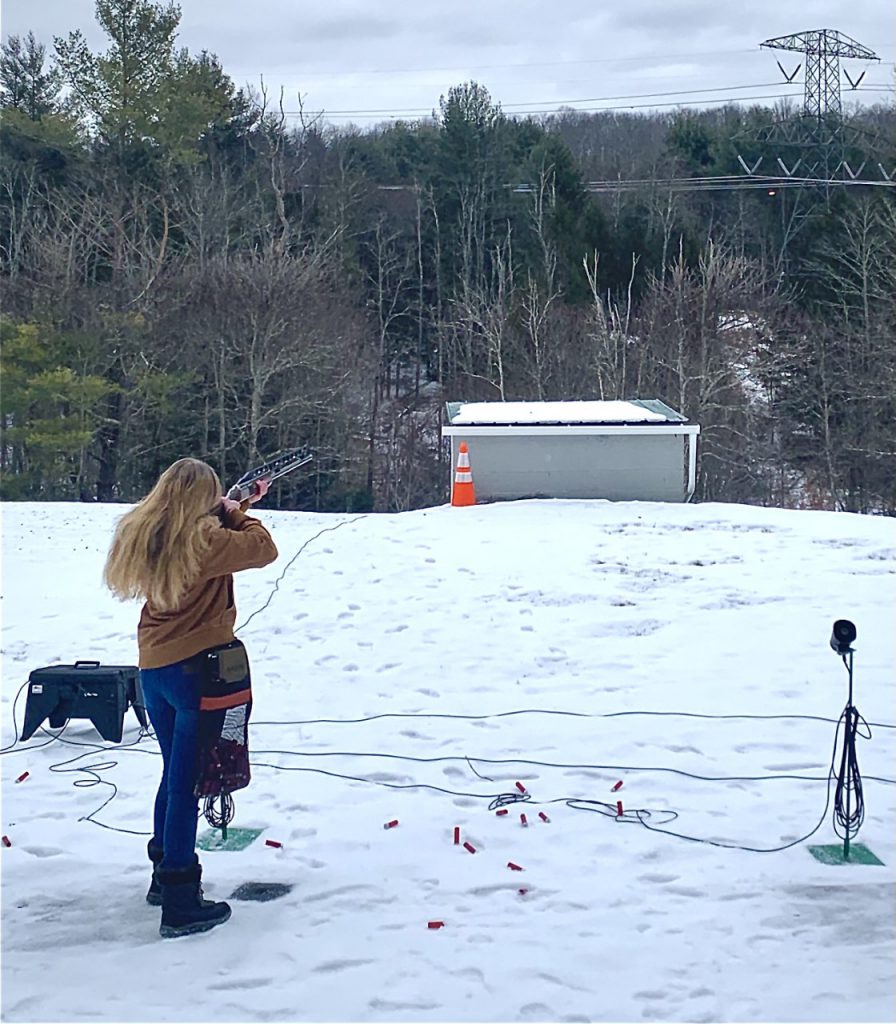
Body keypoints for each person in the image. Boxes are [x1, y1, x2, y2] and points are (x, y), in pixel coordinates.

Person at [103, 457, 278, 938]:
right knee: (187, 785)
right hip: (196, 671)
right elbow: (264, 548)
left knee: (173, 774)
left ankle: (164, 871)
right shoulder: (206, 539)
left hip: (154, 668)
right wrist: (238, 512)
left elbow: (204, 541)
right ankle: (181, 899)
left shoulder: (148, 530)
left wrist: (228, 506)